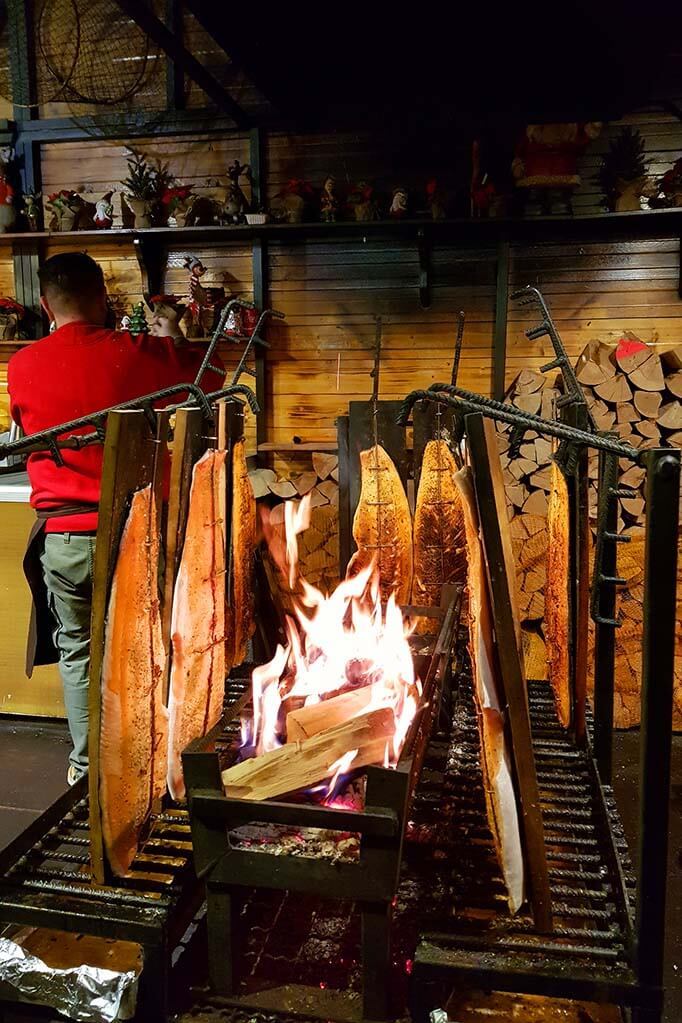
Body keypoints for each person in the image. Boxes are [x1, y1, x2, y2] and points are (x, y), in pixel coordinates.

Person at [8, 252, 224, 785]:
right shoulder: (136, 351)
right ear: (103, 298)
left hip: (64, 539)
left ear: (44, 303)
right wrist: (172, 332)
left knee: (79, 653)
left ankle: (86, 772)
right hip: (137, 533)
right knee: (145, 646)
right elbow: (212, 380)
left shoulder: (20, 366)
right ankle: (146, 769)